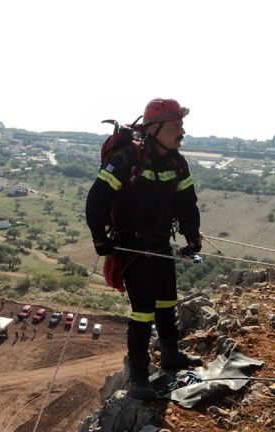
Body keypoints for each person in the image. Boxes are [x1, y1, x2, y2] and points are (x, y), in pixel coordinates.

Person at [86, 98, 203, 400]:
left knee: (167, 301)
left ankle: (170, 355)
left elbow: (187, 202)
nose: (182, 131)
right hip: (131, 243)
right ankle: (139, 375)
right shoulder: (128, 158)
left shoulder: (177, 162)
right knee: (142, 311)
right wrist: (100, 238)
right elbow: (97, 197)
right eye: (176, 126)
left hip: (160, 242)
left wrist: (192, 237)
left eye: (181, 125)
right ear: (155, 128)